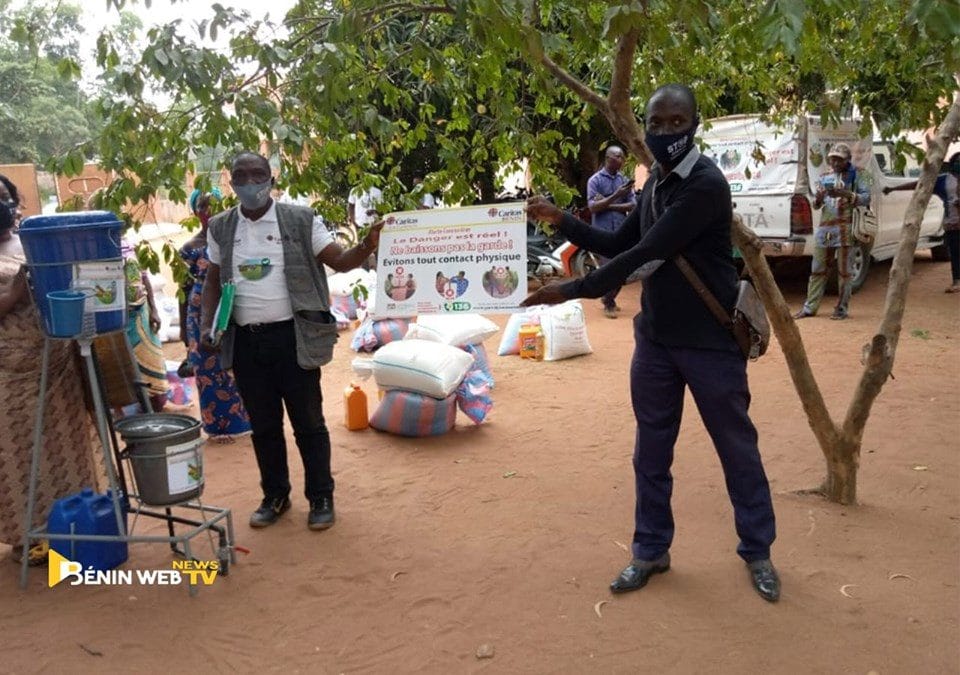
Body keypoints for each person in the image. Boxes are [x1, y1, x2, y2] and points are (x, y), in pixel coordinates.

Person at [523, 84, 780, 603]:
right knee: (651, 452)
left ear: (696, 123)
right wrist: (562, 219)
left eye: (675, 122)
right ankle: (650, 550)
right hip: (657, 343)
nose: (665, 133)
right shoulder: (656, 185)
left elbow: (645, 252)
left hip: (709, 344)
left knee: (737, 449)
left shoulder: (705, 185)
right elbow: (617, 242)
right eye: (655, 123)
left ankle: (758, 551)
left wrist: (567, 291)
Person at [200, 151, 382, 530]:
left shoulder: (301, 219)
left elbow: (342, 261)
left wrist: (368, 243)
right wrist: (207, 325)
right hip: (246, 342)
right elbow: (213, 279)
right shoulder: (220, 227)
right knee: (264, 427)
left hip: (293, 338)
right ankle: (275, 496)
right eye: (242, 176)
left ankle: (321, 498)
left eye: (258, 175)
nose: (251, 183)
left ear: (271, 178)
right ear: (230, 181)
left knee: (309, 424)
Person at [0, 179, 101, 564]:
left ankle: (78, 527)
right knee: (18, 456)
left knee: (68, 448)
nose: (2, 206)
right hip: (9, 378)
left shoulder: (34, 241)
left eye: (5, 198)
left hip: (55, 365)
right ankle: (30, 537)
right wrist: (11, 297)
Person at [179, 189, 252, 441]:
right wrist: (183, 332)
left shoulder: (233, 241)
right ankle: (216, 427)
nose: (208, 212)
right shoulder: (189, 249)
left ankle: (243, 423)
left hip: (232, 306)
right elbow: (184, 289)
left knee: (236, 362)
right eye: (202, 207)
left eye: (213, 206)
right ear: (195, 211)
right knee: (206, 369)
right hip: (199, 313)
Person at [793, 142, 871, 320]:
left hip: (846, 228)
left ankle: (842, 308)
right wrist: (819, 198)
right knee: (817, 269)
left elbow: (867, 197)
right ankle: (810, 307)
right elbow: (816, 204)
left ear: (847, 160)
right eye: (833, 159)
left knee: (845, 272)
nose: (835, 163)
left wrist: (846, 194)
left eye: (839, 160)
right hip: (826, 228)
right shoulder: (825, 175)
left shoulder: (860, 174)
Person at [883, 152, 960, 293]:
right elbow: (920, 184)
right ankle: (957, 281)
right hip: (953, 223)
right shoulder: (944, 180)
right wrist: (893, 189)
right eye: (957, 161)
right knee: (955, 252)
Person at [587, 145, 636, 318]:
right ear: (608, 158)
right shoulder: (595, 181)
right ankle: (609, 302)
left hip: (621, 231)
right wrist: (616, 196)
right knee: (609, 269)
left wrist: (607, 204)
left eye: (622, 157)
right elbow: (593, 207)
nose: (622, 160)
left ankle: (608, 297)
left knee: (623, 269)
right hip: (602, 232)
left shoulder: (623, 180)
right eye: (618, 157)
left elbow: (632, 204)